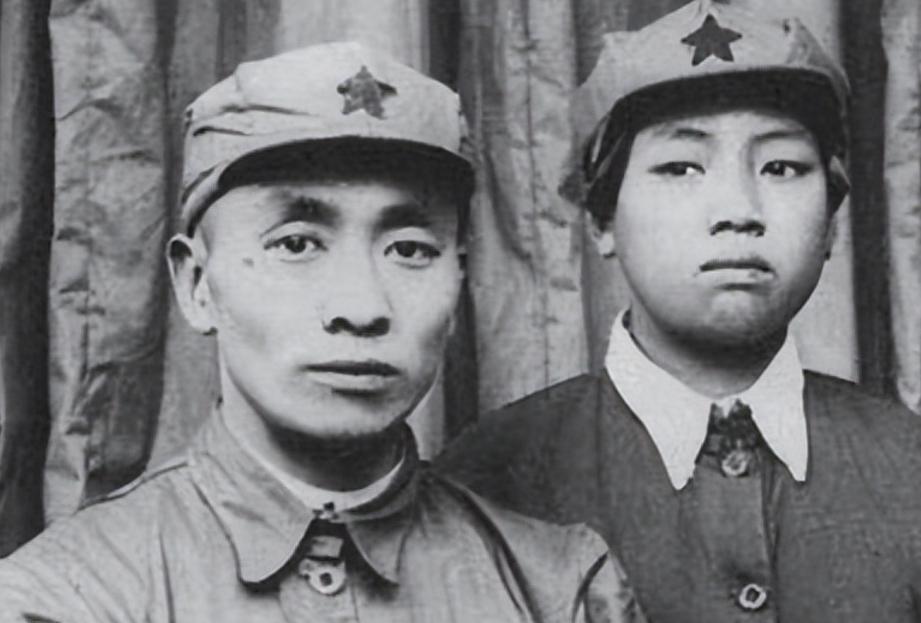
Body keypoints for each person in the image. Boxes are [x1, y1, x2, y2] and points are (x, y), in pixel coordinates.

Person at [0, 42, 642, 623]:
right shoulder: (64, 598)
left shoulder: (562, 591)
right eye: (297, 243)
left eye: (410, 250)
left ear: (459, 283)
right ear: (197, 285)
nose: (361, 307)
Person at [438, 1, 921, 621]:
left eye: (781, 167)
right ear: (601, 219)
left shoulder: (908, 463)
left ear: (831, 222)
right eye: (680, 167)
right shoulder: (484, 481)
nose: (738, 210)